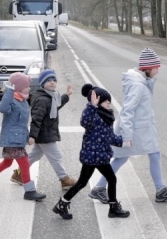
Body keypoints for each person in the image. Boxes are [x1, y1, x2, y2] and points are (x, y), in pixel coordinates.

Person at [88, 48, 167, 204]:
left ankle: (100, 188)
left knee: (145, 155)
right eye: (156, 68)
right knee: (126, 157)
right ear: (147, 68)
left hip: (141, 130)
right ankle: (160, 190)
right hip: (136, 131)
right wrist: (126, 136)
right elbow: (127, 111)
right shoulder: (138, 86)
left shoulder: (141, 82)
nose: (157, 71)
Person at [53, 84, 129, 219]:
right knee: (105, 179)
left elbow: (110, 137)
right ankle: (113, 208)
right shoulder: (93, 115)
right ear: (98, 102)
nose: (109, 103)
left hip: (101, 156)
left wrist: (123, 142)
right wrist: (92, 106)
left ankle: (63, 204)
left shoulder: (107, 117)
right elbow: (84, 122)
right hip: (93, 156)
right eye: (106, 101)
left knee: (88, 182)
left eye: (109, 101)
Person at [0, 73, 46, 201]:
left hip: (17, 138)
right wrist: (9, 90)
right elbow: (3, 108)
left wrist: (28, 137)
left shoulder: (22, 100)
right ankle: (30, 191)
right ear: (18, 88)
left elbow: (21, 123)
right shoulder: (10, 99)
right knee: (24, 162)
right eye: (26, 86)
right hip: (11, 138)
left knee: (7, 162)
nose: (29, 88)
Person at [11, 69, 77, 190]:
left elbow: (56, 105)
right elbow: (37, 119)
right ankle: (64, 179)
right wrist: (33, 136)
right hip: (44, 134)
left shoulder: (49, 96)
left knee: (33, 156)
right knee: (56, 156)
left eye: (54, 80)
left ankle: (18, 175)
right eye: (48, 80)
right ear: (42, 84)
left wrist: (66, 96)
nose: (52, 82)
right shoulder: (42, 99)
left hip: (45, 133)